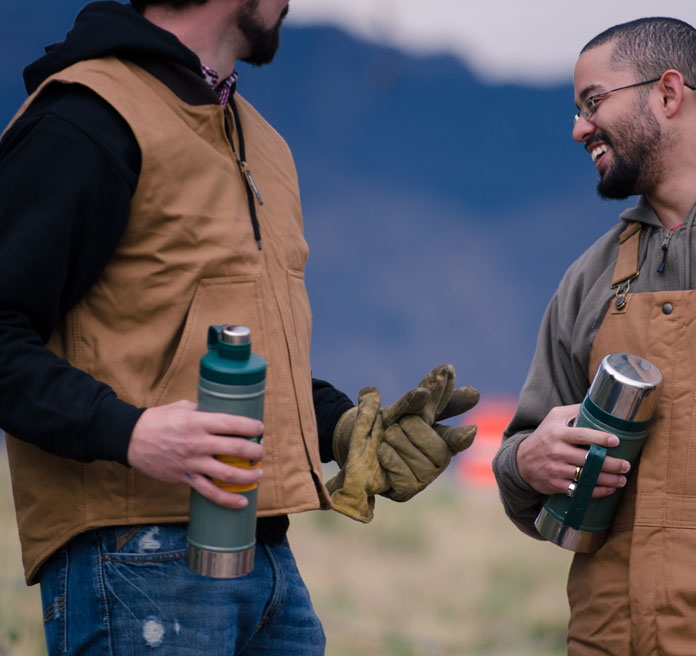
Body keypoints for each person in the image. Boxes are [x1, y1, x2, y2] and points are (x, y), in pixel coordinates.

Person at [0, 1, 479, 653]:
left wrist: (343, 429)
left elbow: (223, 354)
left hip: (266, 559)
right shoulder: (87, 117)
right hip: (135, 556)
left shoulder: (264, 144)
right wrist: (131, 432)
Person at [493, 16, 696, 656]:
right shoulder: (589, 278)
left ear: (668, 94)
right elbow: (520, 459)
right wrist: (527, 464)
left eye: (593, 102)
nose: (578, 127)